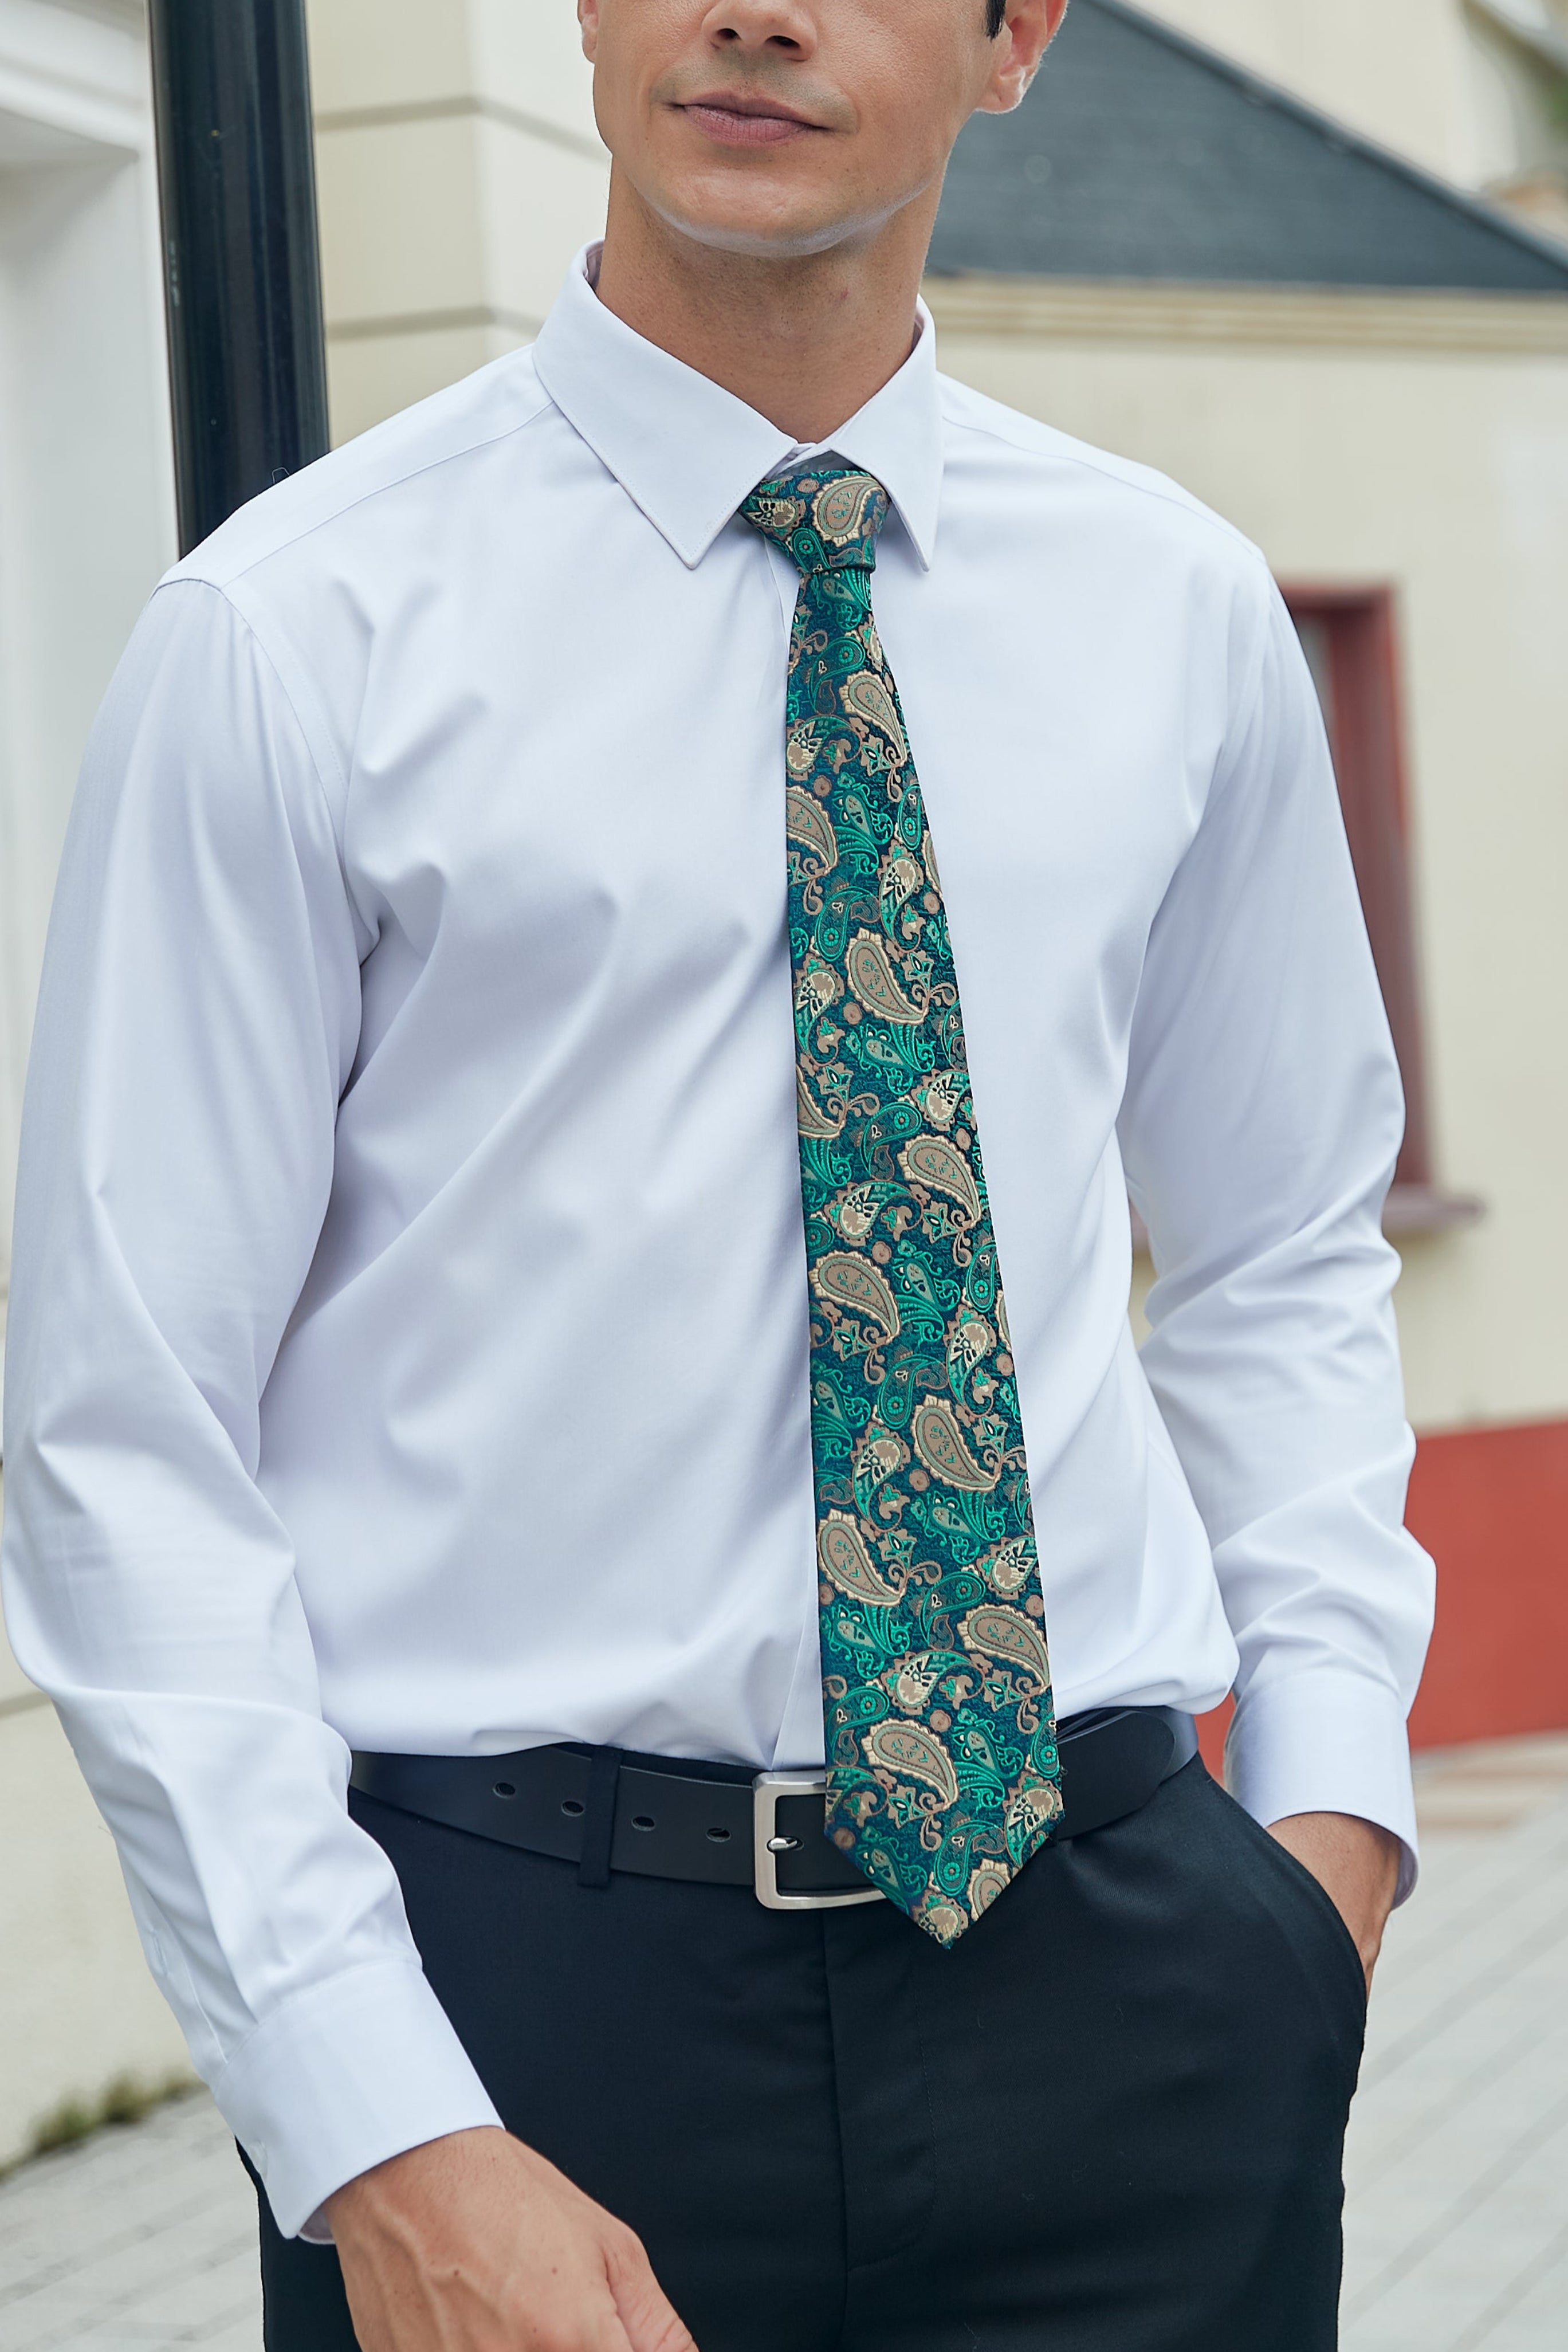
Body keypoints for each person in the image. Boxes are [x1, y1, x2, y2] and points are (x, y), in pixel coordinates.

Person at [1, 1, 1435, 2345]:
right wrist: (376, 2125)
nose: (751, 9)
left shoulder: (1172, 616)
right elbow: (123, 1445)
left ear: (1014, 38)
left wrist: (1325, 1864)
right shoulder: (292, 637)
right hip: (528, 2014)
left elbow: (1281, 1249)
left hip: (1127, 1985)